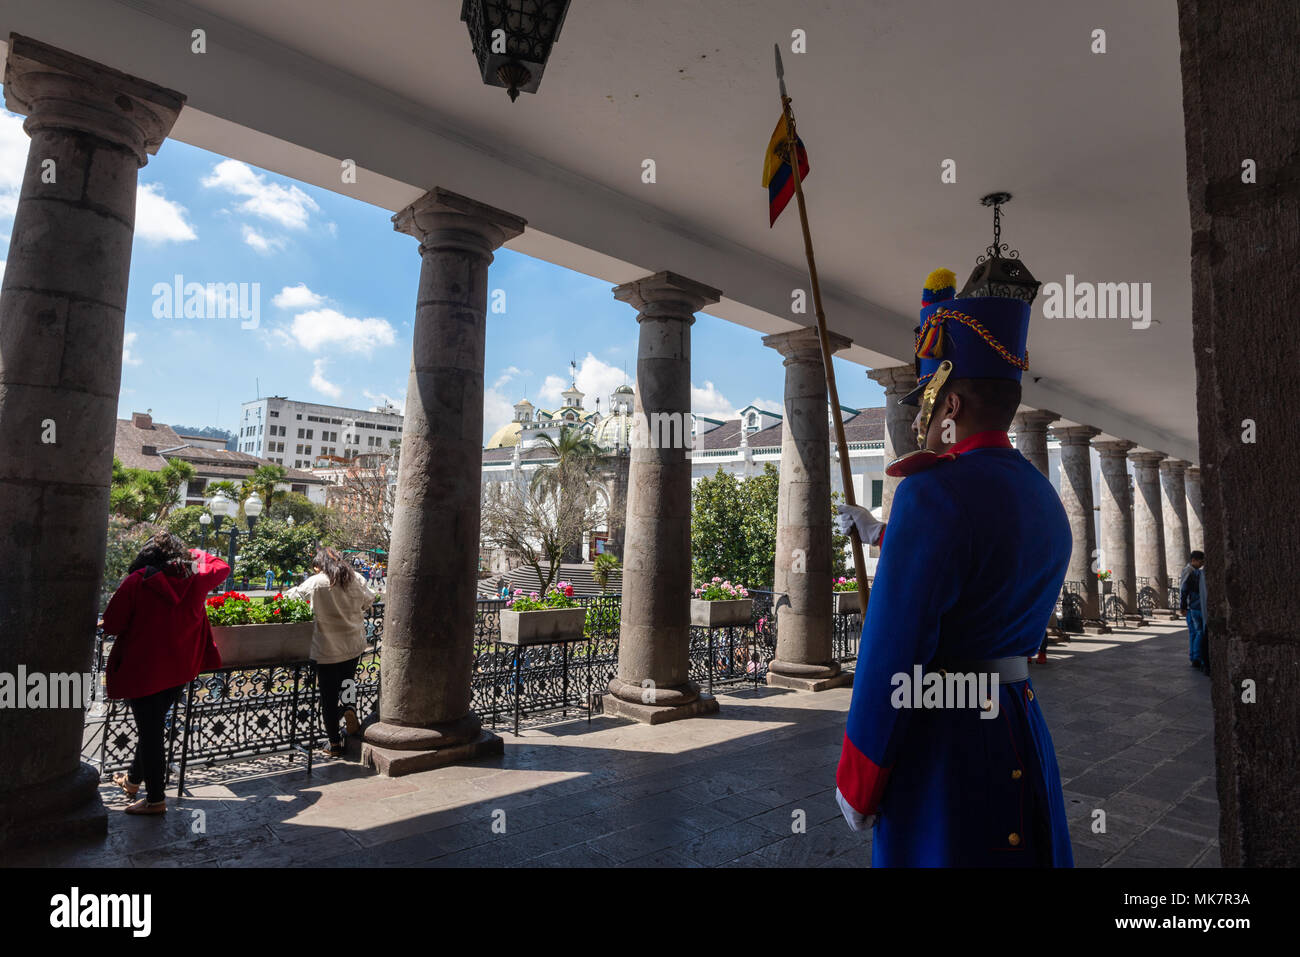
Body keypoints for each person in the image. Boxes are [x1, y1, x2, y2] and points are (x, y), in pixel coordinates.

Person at [833, 266, 1074, 867]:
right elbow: (982, 566)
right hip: (1017, 723)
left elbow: (893, 654)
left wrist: (858, 778)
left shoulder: (930, 491)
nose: (924, 416)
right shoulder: (1043, 496)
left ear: (953, 404)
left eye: (930, 401)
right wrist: (886, 535)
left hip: (946, 738)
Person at [102, 533, 229, 814]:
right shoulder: (193, 576)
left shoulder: (137, 581)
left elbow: (111, 624)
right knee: (153, 727)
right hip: (181, 667)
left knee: (150, 732)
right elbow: (221, 565)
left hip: (144, 669)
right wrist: (190, 553)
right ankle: (133, 781)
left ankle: (156, 800)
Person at [286, 547, 377, 757]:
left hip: (326, 646)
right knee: (348, 682)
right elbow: (369, 600)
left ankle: (334, 743)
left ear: (320, 565)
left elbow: (291, 598)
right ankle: (349, 709)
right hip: (353, 642)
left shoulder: (317, 582)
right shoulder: (356, 578)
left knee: (328, 695)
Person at [1180, 550, 1208, 673]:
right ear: (1193, 560)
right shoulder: (1190, 571)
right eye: (1201, 561)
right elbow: (1183, 589)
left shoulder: (1192, 571)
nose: (1202, 564)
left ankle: (1194, 656)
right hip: (1194, 606)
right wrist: (1183, 606)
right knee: (1198, 632)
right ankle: (1196, 657)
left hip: (1192, 606)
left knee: (1194, 633)